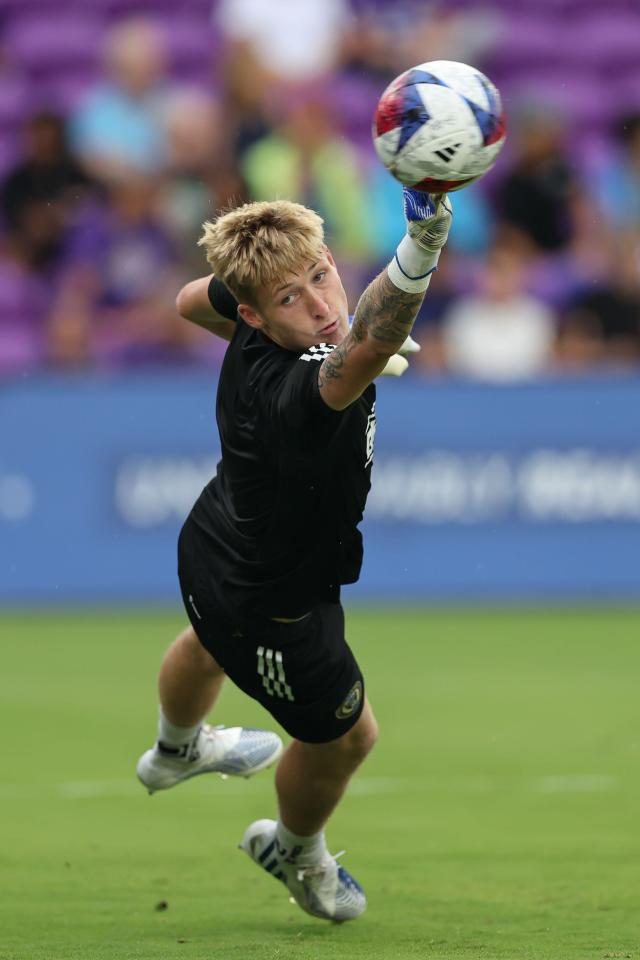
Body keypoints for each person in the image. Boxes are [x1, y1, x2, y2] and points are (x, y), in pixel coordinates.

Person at [136, 189, 452, 921]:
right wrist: (423, 246)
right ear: (253, 314)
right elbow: (369, 341)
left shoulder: (250, 318)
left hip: (208, 542)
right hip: (274, 607)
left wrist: (320, 339)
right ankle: (297, 852)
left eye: (320, 273)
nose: (318, 303)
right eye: (289, 295)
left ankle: (175, 748)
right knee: (346, 737)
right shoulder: (297, 394)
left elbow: (190, 301)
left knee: (205, 641)